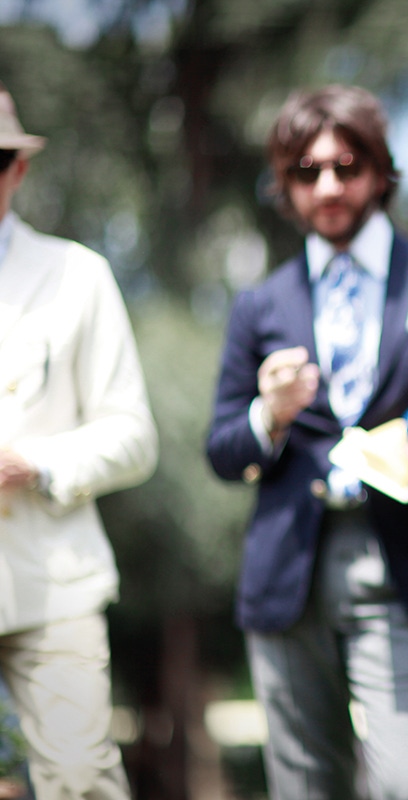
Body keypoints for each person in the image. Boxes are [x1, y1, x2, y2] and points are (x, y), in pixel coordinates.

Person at [205, 84, 408, 800]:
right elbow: (222, 449)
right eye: (307, 172)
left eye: (346, 165)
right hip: (287, 571)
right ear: (285, 185)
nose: (329, 185)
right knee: (306, 790)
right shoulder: (259, 304)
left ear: (379, 171)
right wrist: (268, 416)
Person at [0, 82, 158, 798]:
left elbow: (133, 437)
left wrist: (32, 463)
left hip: (53, 581)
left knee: (80, 782)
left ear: (19, 169)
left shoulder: (78, 275)